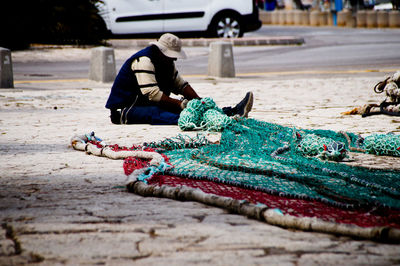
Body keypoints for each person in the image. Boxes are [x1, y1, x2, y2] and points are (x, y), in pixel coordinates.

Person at [105, 33, 253, 125]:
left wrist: (201, 103)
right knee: (163, 114)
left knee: (188, 109)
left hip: (147, 104)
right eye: (171, 55)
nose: (174, 58)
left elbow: (181, 85)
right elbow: (153, 94)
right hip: (124, 110)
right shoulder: (144, 60)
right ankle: (213, 121)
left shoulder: (167, 63)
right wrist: (182, 104)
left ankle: (229, 112)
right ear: (161, 51)